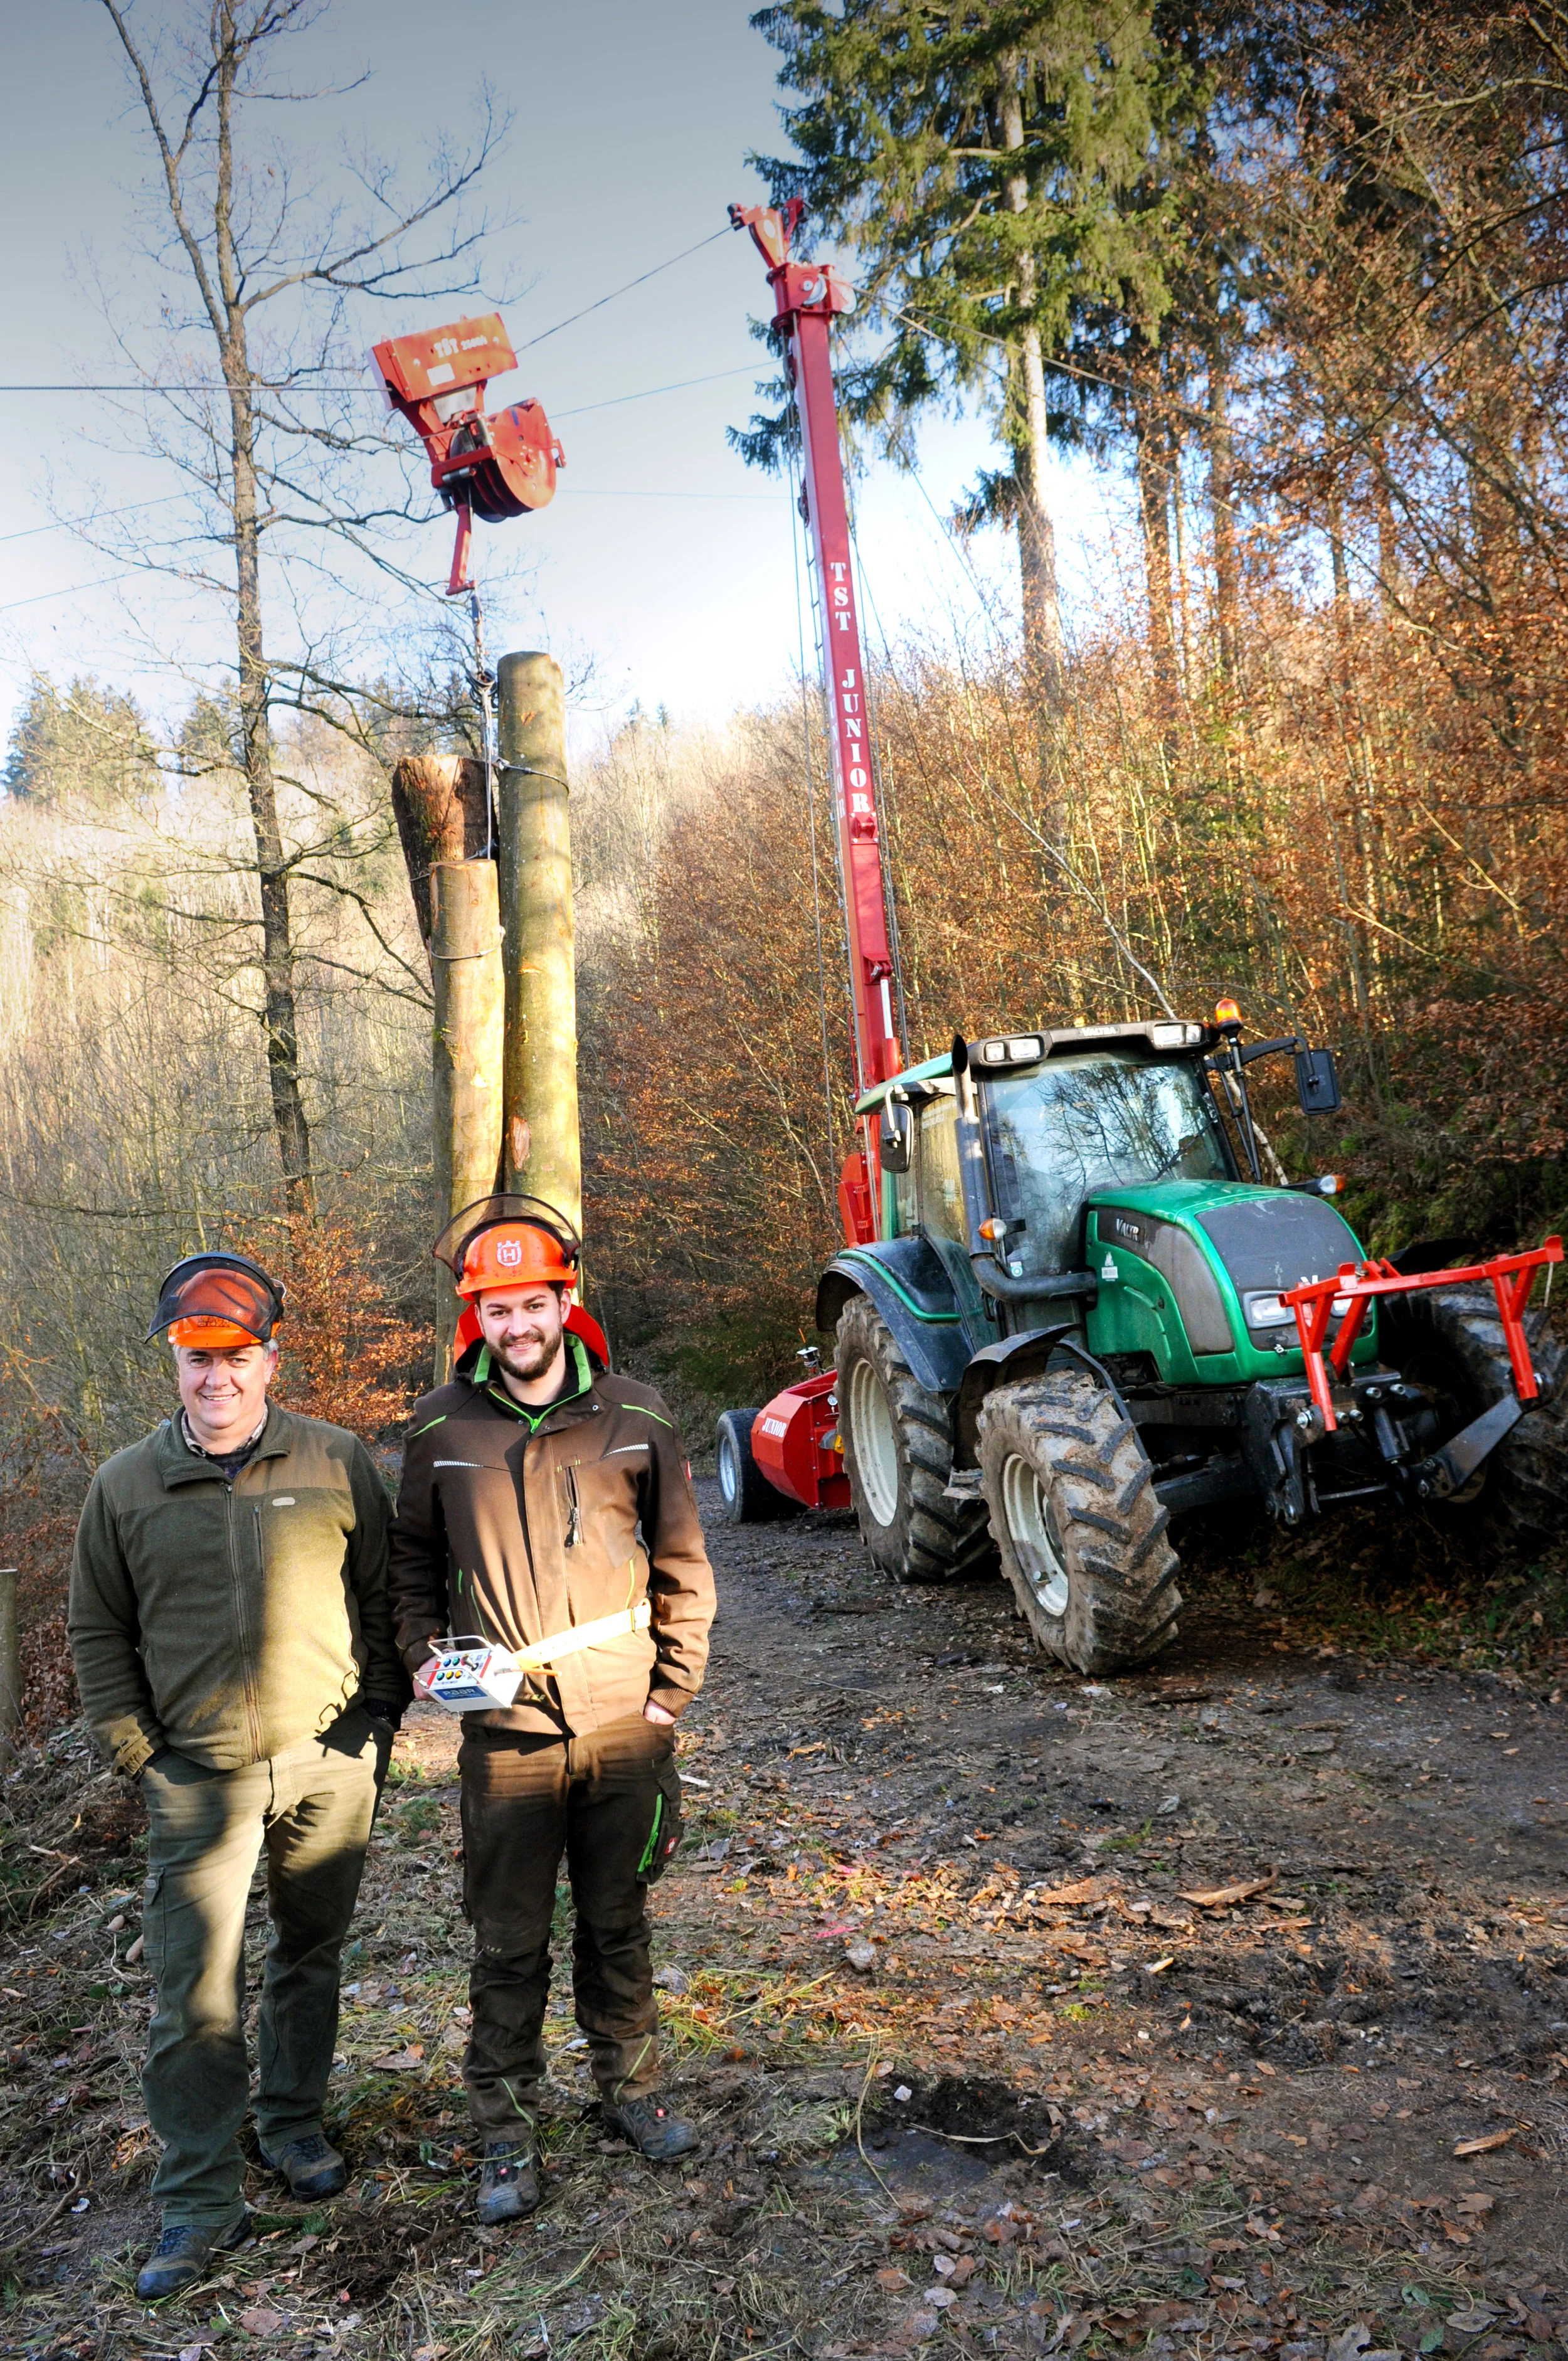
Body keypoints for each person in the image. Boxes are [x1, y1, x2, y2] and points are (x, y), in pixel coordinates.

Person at [67, 1252, 406, 2300]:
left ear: (269, 1361)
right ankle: (200, 2196)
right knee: (194, 1993)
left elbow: (387, 1592)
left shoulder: (336, 1461)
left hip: (328, 1762)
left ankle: (292, 2125)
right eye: (194, 1358)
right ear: (172, 1360)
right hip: (198, 1780)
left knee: (311, 1953)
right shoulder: (124, 1485)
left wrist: (374, 1724)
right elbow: (97, 1633)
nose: (215, 1379)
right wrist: (141, 1756)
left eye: (236, 1358)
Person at [389, 1196, 716, 2223]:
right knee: (507, 1937)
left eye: (533, 1305)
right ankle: (506, 2135)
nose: (517, 1327)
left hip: (624, 1723)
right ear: (474, 1318)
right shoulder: (439, 1428)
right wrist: (422, 1658)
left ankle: (633, 2092)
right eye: (497, 1311)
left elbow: (683, 1563)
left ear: (565, 1303)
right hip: (507, 1737)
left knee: (618, 1922)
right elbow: (408, 1566)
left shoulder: (640, 1413)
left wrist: (672, 1694)